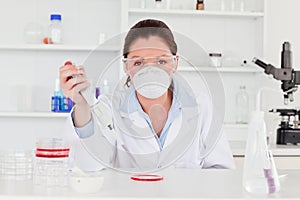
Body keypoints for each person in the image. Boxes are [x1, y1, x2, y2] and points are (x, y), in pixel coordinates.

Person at [60, 19, 235, 170]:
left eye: (161, 61)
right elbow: (90, 166)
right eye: (138, 62)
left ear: (175, 63)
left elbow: (222, 171)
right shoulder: (109, 108)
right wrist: (82, 105)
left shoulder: (202, 108)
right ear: (126, 67)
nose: (151, 71)